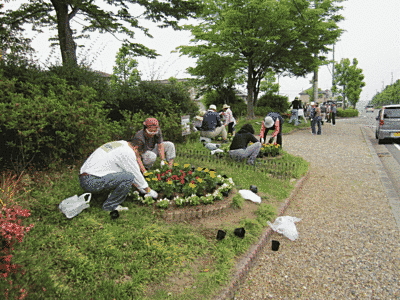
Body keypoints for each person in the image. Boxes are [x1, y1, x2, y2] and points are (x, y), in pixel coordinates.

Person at [79, 140, 158, 212]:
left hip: (85, 177)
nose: (138, 157)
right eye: (138, 154)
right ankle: (110, 206)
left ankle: (105, 196)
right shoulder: (128, 152)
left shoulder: (122, 144)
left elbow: (124, 170)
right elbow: (135, 174)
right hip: (92, 181)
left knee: (124, 175)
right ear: (135, 148)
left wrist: (139, 188)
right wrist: (149, 191)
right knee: (129, 177)